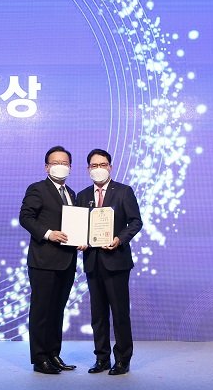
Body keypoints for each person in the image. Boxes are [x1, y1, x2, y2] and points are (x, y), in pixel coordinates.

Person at [76, 149, 142, 375]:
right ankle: (101, 358)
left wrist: (119, 239)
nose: (99, 169)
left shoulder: (124, 191)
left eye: (102, 165)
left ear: (110, 167)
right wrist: (79, 240)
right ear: (88, 169)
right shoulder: (82, 195)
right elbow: (79, 226)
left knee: (120, 313)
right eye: (94, 166)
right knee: (98, 314)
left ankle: (123, 359)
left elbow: (135, 222)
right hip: (92, 261)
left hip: (117, 261)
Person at [19, 146, 78, 374]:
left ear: (70, 167)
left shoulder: (71, 193)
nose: (60, 166)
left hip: (67, 260)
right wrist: (48, 233)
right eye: (55, 162)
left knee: (57, 310)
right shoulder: (37, 189)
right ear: (47, 167)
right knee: (42, 311)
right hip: (43, 261)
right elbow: (26, 217)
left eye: (65, 163)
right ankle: (39, 358)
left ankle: (54, 354)